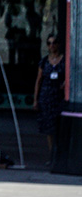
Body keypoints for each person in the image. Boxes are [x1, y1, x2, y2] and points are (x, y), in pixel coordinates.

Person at [32, 34, 65, 164]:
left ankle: (60, 154)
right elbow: (38, 80)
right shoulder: (44, 61)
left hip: (59, 97)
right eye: (49, 43)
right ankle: (52, 155)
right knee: (48, 128)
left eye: (54, 43)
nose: (52, 45)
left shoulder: (64, 61)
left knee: (59, 127)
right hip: (46, 96)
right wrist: (36, 99)